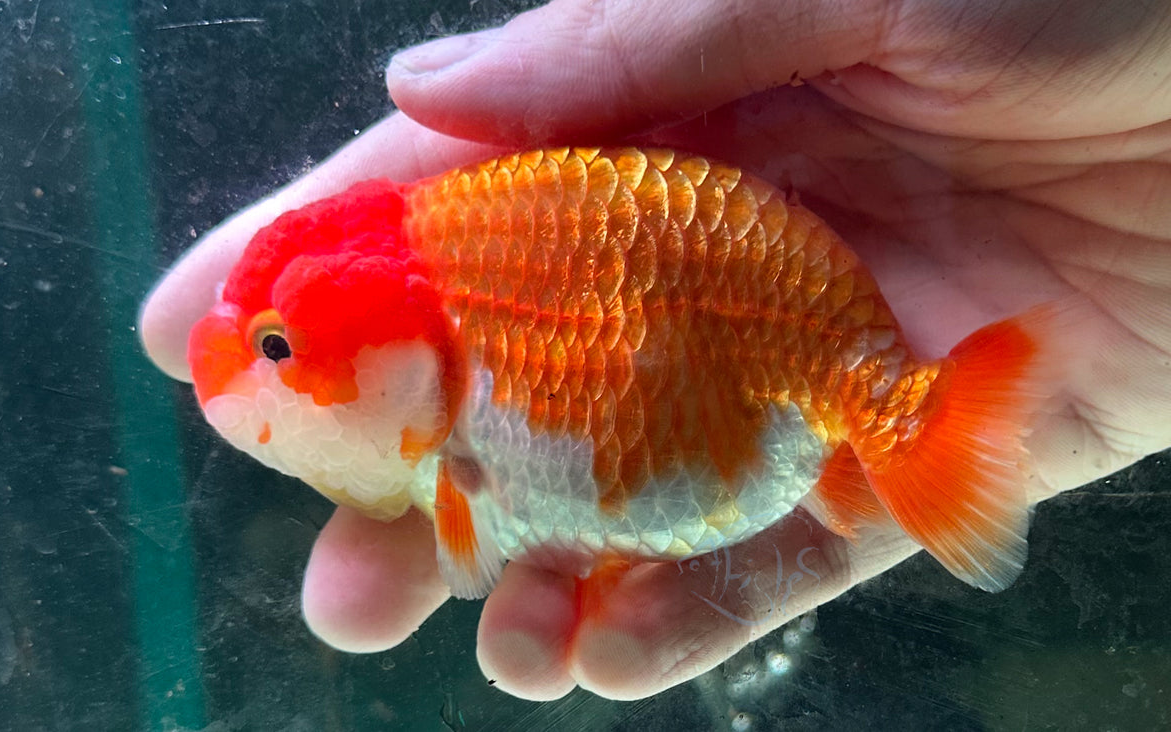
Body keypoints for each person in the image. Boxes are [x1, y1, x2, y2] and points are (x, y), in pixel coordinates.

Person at [140, 0, 1171, 702]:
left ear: (416, 353)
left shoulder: (457, 448)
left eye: (278, 347)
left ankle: (916, 423)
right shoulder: (452, 443)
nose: (256, 370)